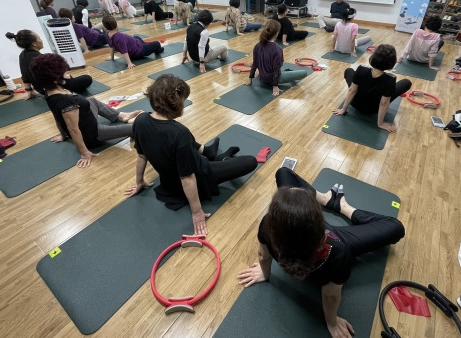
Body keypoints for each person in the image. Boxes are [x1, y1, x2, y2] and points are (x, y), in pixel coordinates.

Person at [237, 167, 405, 338]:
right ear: (320, 220)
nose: (293, 189)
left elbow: (263, 256)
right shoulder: (339, 251)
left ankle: (326, 199)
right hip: (337, 238)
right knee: (396, 227)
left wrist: (265, 274)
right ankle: (344, 207)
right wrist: (332, 322)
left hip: (300, 233)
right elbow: (330, 295)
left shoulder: (267, 226)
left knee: (283, 172)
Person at [125, 74, 258, 235]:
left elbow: (141, 156)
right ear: (176, 102)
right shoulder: (179, 132)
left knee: (181, 140)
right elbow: (187, 178)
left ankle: (209, 152)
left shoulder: (140, 120)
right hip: (200, 177)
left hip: (168, 183)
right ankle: (221, 158)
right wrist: (197, 212)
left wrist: (139, 181)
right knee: (251, 161)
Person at [29, 53, 141, 168]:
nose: (69, 75)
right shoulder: (66, 102)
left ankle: (122, 115)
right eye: (66, 73)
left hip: (88, 121)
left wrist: (63, 135)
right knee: (139, 127)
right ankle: (131, 124)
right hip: (93, 135)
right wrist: (84, 153)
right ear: (56, 79)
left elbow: (57, 116)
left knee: (91, 101)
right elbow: (73, 129)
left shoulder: (48, 92)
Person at [332, 44, 411, 133]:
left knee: (349, 71)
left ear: (373, 58)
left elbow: (352, 90)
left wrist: (343, 109)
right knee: (406, 83)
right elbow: (383, 103)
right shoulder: (391, 79)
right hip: (374, 109)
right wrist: (380, 124)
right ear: (392, 63)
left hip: (355, 103)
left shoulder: (361, 69)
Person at [5, 30, 92, 99]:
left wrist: (29, 91)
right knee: (87, 78)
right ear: (34, 43)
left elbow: (24, 75)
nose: (41, 40)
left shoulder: (22, 55)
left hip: (42, 90)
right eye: (39, 38)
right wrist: (65, 80)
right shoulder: (39, 57)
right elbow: (54, 77)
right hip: (55, 88)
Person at [246, 20, 307, 96]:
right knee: (304, 73)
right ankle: (288, 73)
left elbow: (254, 63)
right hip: (276, 79)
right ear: (277, 33)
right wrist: (275, 86)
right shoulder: (277, 49)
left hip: (262, 78)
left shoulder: (257, 46)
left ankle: (288, 72)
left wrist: (250, 78)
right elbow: (276, 70)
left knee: (282, 71)